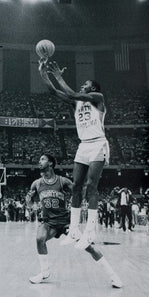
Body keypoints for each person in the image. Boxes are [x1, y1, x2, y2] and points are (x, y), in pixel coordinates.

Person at [38, 59, 109, 249]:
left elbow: (73, 93)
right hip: (84, 145)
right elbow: (54, 92)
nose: (82, 85)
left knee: (91, 186)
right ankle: (75, 229)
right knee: (76, 186)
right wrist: (44, 74)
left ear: (92, 88)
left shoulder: (98, 98)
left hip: (98, 144)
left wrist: (59, 76)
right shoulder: (76, 103)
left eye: (85, 84)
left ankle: (91, 231)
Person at [26, 154, 122, 288]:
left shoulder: (62, 181)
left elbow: (79, 194)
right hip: (49, 222)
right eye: (39, 159)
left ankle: (113, 276)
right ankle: (44, 272)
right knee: (39, 239)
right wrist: (29, 201)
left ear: (51, 164)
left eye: (42, 159)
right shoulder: (36, 184)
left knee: (89, 248)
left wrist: (86, 186)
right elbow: (30, 205)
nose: (39, 162)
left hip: (65, 221)